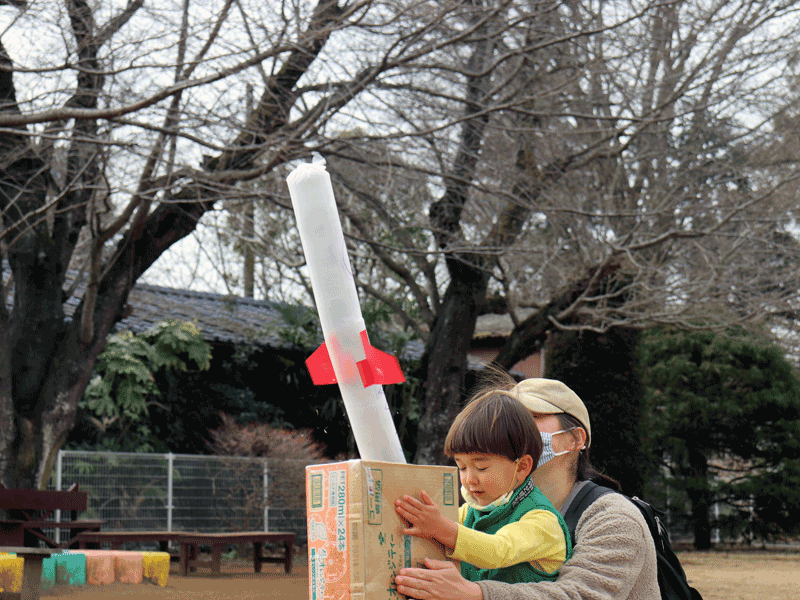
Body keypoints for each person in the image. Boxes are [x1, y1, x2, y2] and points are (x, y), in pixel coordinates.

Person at [394, 377, 659, 600]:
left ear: (575, 438)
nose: (511, 429)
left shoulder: (614, 518)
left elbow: (576, 596)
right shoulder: (485, 508)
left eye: (530, 417)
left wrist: (476, 593)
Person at [395, 391, 572, 584]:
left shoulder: (543, 522)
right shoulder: (471, 512)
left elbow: (498, 550)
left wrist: (441, 528)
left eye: (481, 467)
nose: (470, 479)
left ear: (521, 467)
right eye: (462, 467)